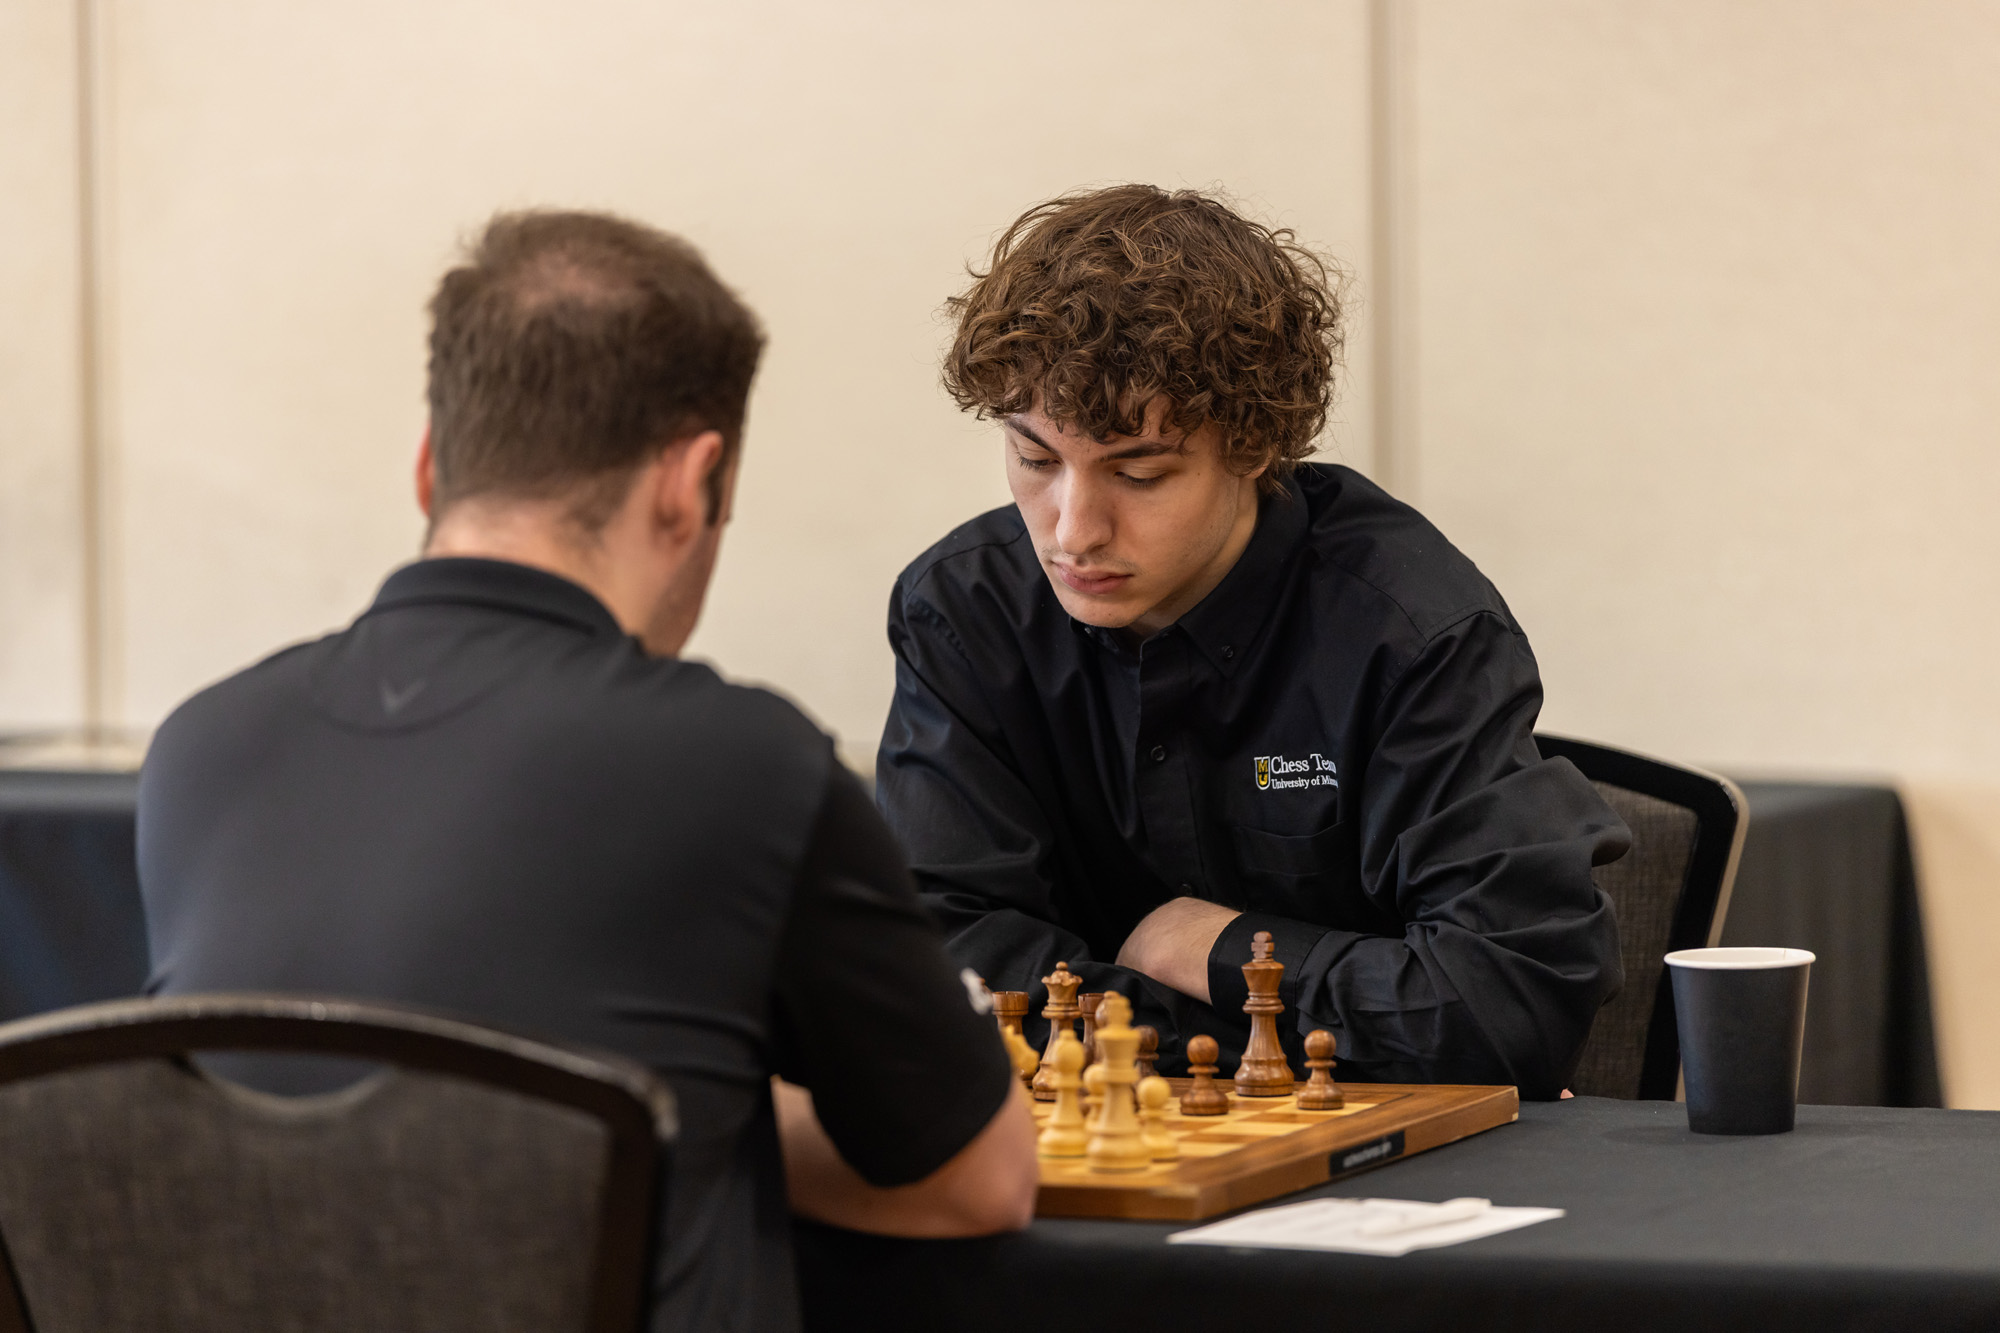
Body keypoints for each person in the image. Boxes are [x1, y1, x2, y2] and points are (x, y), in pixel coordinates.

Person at [137, 210, 1037, 1333]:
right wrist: (676, 1120)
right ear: (688, 481)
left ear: (428, 461)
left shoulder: (198, 747)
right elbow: (981, 1178)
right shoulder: (743, 763)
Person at [875, 185, 1629, 1101]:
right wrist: (1245, 1027)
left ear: (1257, 446)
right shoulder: (966, 613)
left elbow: (1504, 1009)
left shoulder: (1413, 631)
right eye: (1035, 459)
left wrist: (1217, 946)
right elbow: (937, 970)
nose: (1072, 531)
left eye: (1140, 471)